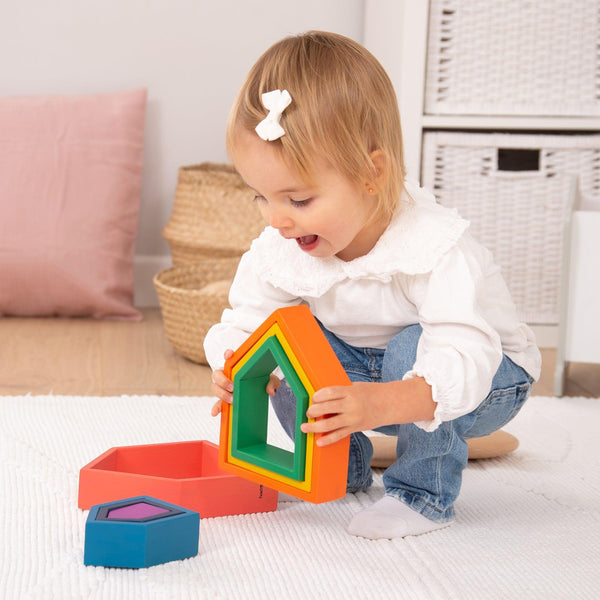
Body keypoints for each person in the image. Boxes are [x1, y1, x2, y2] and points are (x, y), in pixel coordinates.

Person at [204, 31, 541, 539]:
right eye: (260, 197)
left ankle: (420, 493)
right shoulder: (282, 244)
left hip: (483, 377)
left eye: (297, 200)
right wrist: (237, 366)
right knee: (282, 344)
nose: (277, 220)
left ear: (370, 173)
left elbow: (464, 351)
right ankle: (342, 467)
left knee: (415, 344)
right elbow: (248, 320)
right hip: (365, 375)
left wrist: (382, 405)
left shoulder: (433, 246)